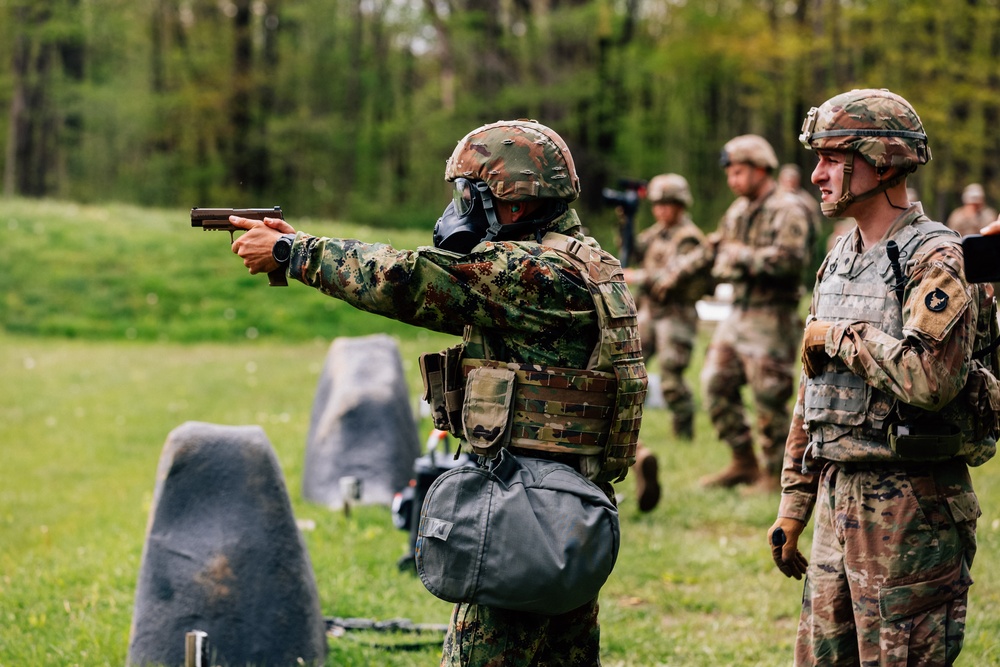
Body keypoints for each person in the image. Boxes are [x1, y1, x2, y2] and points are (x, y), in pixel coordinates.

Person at [228, 119, 646, 666]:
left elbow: (407, 280)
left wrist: (293, 254)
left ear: (513, 203)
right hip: (567, 506)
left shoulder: (536, 272)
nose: (460, 209)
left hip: (525, 512)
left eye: (469, 195)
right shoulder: (583, 258)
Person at [768, 88, 997, 665]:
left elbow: (931, 381)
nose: (817, 174)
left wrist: (841, 337)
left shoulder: (937, 258)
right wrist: (794, 505)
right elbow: (812, 390)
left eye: (830, 158)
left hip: (911, 507)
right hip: (837, 498)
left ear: (881, 160)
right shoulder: (841, 254)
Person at [699, 135, 814, 491]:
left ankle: (775, 473)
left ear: (762, 169)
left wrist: (739, 257)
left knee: (769, 396)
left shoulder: (787, 209)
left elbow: (791, 260)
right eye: (729, 174)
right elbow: (718, 250)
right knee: (715, 382)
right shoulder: (737, 211)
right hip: (738, 312)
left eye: (739, 172)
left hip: (771, 315)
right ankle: (742, 461)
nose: (733, 180)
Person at [626, 173, 711, 441]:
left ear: (680, 205)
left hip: (676, 313)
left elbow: (669, 275)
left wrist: (639, 276)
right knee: (628, 368)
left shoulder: (689, 239)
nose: (660, 210)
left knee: (671, 378)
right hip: (651, 310)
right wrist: (625, 221)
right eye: (657, 204)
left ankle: (684, 433)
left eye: (667, 204)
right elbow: (632, 251)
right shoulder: (656, 233)